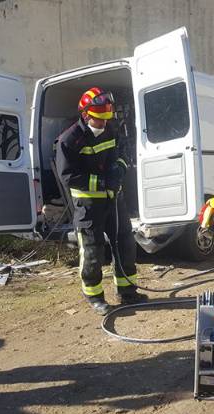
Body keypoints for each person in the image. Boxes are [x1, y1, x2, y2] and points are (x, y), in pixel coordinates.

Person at [55, 87, 147, 315]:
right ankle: (94, 295)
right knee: (93, 251)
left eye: (107, 119)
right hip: (88, 207)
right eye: (99, 120)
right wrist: (103, 182)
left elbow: (123, 153)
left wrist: (121, 170)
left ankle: (127, 291)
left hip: (115, 200)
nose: (104, 124)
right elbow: (68, 176)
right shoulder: (69, 141)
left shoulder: (110, 129)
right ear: (86, 116)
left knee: (125, 244)